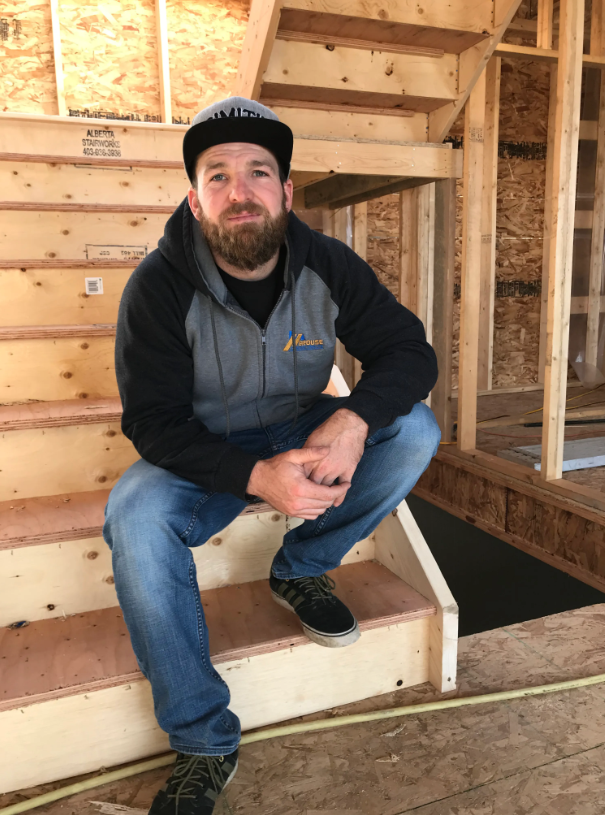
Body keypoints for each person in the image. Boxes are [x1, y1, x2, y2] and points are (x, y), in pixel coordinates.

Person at [103, 96, 441, 814]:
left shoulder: (327, 264)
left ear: (285, 192)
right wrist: (254, 476)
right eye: (217, 175)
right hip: (205, 449)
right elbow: (153, 423)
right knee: (134, 515)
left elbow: (409, 351)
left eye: (258, 172)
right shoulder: (157, 287)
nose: (239, 189)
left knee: (411, 428)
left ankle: (303, 566)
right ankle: (202, 739)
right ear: (195, 200)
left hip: (300, 423)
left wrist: (351, 420)